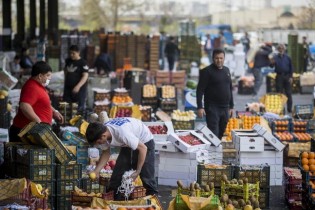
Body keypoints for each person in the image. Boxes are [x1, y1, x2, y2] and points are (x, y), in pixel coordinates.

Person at [85, 118, 158, 200]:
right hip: (128, 142)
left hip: (144, 141)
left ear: (104, 136)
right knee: (117, 176)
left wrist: (138, 171)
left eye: (98, 142)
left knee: (147, 177)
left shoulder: (122, 134)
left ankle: (153, 202)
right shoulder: (103, 131)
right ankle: (113, 203)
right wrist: (96, 171)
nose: (99, 145)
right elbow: (106, 153)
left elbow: (143, 149)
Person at [9, 61, 64, 142]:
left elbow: (43, 102)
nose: (50, 78)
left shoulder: (39, 85)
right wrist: (39, 123)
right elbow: (24, 106)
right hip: (24, 133)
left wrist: (54, 111)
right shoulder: (32, 87)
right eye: (47, 75)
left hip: (33, 132)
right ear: (40, 76)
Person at [196, 48, 234, 140]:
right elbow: (200, 90)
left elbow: (230, 88)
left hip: (225, 108)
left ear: (224, 58)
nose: (219, 60)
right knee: (213, 134)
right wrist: (200, 107)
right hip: (213, 108)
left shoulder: (226, 70)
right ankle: (213, 153)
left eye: (221, 58)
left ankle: (218, 152)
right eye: (217, 58)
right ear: (213, 58)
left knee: (222, 132)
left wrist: (231, 106)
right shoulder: (207, 71)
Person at [63, 45, 89, 111]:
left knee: (78, 109)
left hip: (79, 90)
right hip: (68, 89)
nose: (71, 55)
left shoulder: (83, 63)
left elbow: (85, 76)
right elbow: (65, 71)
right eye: (70, 53)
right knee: (66, 107)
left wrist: (78, 86)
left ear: (78, 53)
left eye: (73, 53)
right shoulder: (68, 61)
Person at [270, 44, 294, 114]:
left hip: (287, 77)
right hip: (279, 76)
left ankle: (289, 109)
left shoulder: (288, 57)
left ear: (284, 49)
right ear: (278, 49)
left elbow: (291, 68)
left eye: (282, 48)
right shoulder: (275, 57)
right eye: (279, 48)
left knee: (288, 93)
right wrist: (272, 63)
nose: (281, 49)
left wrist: (291, 77)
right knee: (279, 93)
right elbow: (271, 66)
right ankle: (281, 108)